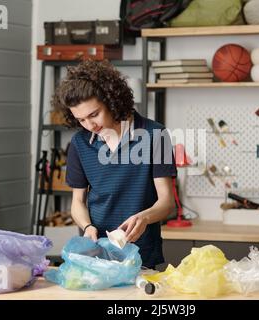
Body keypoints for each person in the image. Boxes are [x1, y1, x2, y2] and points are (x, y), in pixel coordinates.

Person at [52, 60, 177, 269]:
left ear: (112, 100)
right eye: (81, 120)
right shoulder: (79, 143)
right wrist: (87, 226)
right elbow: (78, 201)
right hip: (96, 254)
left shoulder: (155, 135)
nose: (90, 125)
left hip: (140, 254)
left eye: (94, 114)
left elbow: (166, 202)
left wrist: (144, 218)